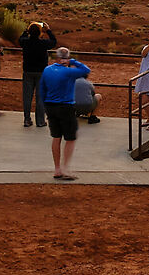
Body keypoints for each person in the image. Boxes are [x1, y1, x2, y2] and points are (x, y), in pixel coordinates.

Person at [37, 47, 94, 180]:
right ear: (66, 58)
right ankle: (65, 169)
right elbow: (86, 71)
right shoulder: (69, 72)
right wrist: (73, 61)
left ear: (56, 58)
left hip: (51, 106)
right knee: (70, 138)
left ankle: (57, 169)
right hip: (66, 106)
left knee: (56, 137)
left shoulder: (47, 70)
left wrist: (45, 106)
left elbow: (42, 90)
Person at [16, 20, 59, 127]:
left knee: (27, 97)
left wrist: (26, 30)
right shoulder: (43, 43)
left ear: (29, 32)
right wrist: (48, 30)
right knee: (40, 97)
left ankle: (27, 119)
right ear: (40, 32)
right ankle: (40, 121)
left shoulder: (25, 42)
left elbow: (20, 39)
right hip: (41, 73)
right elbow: (54, 41)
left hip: (28, 72)